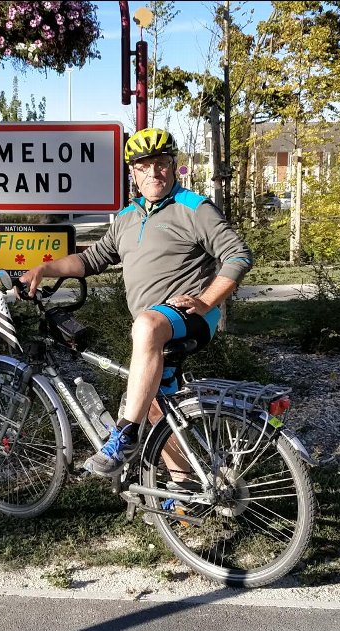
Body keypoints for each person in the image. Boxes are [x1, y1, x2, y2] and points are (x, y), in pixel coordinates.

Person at [20, 127, 253, 478]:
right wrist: (45, 267)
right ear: (132, 172)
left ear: (174, 166)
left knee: (145, 323)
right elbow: (91, 260)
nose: (153, 172)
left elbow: (238, 255)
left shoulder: (194, 208)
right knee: (160, 409)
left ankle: (126, 433)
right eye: (143, 166)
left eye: (160, 163)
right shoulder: (128, 217)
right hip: (157, 327)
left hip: (188, 316)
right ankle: (183, 491)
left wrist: (207, 301)